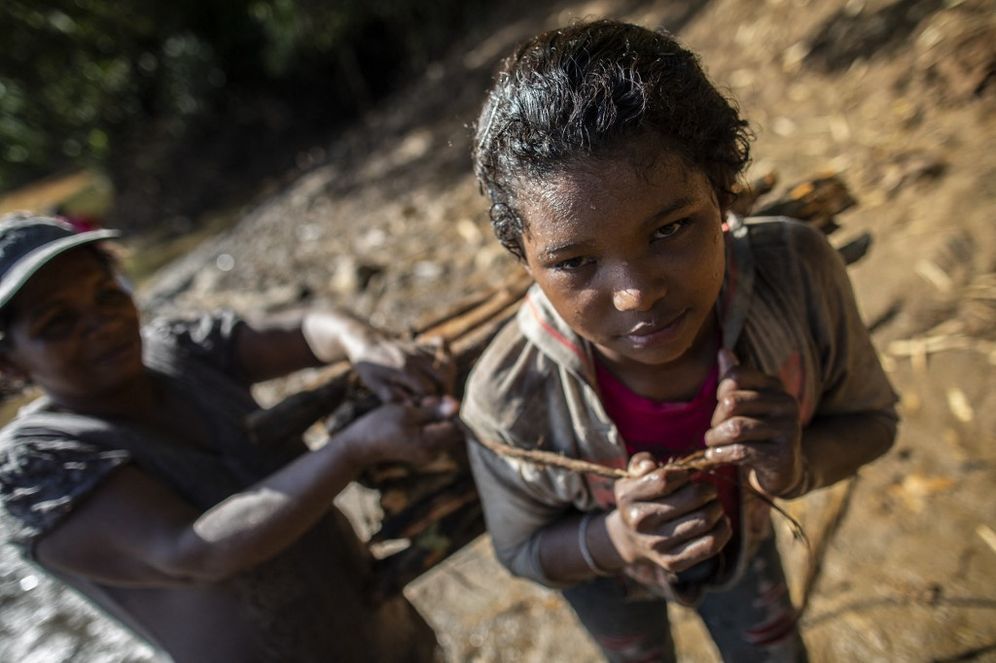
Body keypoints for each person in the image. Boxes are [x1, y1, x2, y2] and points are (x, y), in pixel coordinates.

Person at [462, 20, 898, 662]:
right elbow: (522, 548)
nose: (636, 293)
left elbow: (873, 421)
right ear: (521, 258)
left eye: (669, 229)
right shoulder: (506, 398)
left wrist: (792, 465)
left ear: (723, 191)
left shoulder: (796, 272)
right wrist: (619, 538)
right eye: (575, 262)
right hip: (607, 580)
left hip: (741, 543)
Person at [0, 211, 462, 662]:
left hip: (389, 640)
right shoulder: (37, 463)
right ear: (9, 364)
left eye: (106, 293)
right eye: (57, 322)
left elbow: (305, 328)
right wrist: (353, 448)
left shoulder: (179, 352)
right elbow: (194, 551)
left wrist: (364, 345)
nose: (101, 322)